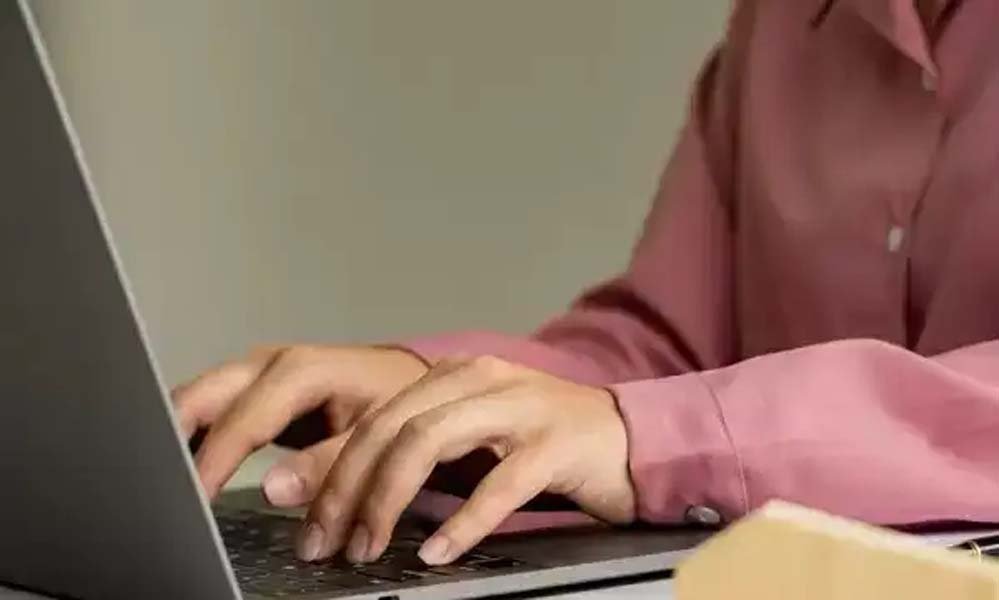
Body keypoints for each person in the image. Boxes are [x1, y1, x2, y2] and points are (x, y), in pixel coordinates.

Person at [171, 0, 999, 568]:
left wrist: (653, 437)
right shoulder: (784, 24)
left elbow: (665, 424)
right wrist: (438, 398)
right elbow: (672, 353)